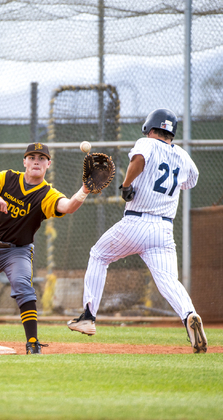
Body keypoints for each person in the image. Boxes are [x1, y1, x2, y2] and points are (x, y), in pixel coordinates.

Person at [67, 108, 208, 354]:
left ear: (150, 127)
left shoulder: (146, 142)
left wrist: (126, 185)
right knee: (168, 281)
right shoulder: (184, 156)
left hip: (136, 222)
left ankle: (88, 316)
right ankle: (189, 314)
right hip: (164, 229)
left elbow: (139, 160)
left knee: (99, 255)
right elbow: (191, 181)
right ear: (171, 133)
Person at [0, 143, 91, 354]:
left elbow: (67, 207)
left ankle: (32, 343)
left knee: (23, 287)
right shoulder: (6, 178)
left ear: (48, 164)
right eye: (32, 157)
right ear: (24, 161)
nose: (36, 161)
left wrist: (84, 190)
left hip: (18, 251)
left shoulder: (46, 194)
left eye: (41, 158)